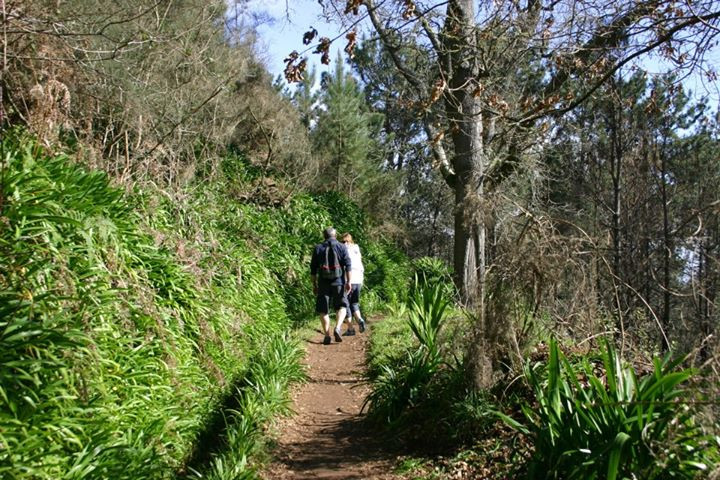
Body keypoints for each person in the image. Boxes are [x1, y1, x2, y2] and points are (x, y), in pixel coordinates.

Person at [310, 227, 352, 345]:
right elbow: (348, 266)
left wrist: (314, 284)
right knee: (342, 306)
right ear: (335, 235)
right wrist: (348, 282)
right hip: (339, 282)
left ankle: (327, 335)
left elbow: (313, 269)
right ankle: (338, 327)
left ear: (324, 236)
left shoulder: (318, 248)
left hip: (323, 283)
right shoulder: (342, 247)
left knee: (323, 309)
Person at [341, 232, 366, 336]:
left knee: (345, 303)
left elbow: (345, 266)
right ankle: (360, 319)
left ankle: (351, 328)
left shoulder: (343, 249)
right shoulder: (356, 248)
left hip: (348, 280)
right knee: (354, 303)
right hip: (359, 279)